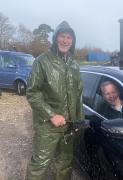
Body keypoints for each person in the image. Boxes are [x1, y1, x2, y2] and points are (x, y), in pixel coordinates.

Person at [26, 21, 84, 180]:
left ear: (73, 41)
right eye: (62, 36)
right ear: (55, 38)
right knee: (40, 164)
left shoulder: (74, 65)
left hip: (69, 125)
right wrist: (51, 115)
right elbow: (32, 92)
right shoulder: (42, 61)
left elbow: (78, 95)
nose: (65, 41)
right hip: (47, 125)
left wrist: (79, 120)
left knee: (65, 163)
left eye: (69, 38)